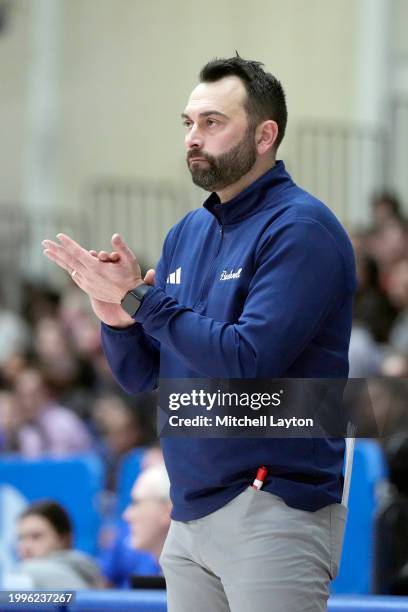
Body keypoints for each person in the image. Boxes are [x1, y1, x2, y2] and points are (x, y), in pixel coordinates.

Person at [42, 56, 356, 611]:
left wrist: (138, 299)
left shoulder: (302, 229)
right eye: (188, 123)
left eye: (213, 122)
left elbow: (246, 360)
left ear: (265, 134)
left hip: (273, 506)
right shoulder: (187, 232)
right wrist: (116, 316)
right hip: (188, 517)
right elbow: (142, 376)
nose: (194, 137)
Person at [13, 500, 103, 589]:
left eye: (36, 536)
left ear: (64, 539)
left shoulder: (29, 571)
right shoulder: (89, 575)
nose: (26, 546)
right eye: (20, 538)